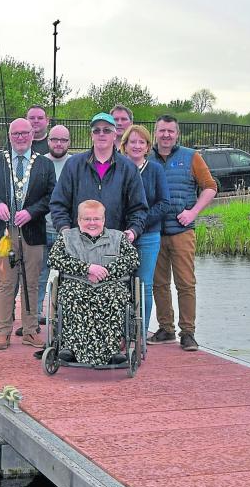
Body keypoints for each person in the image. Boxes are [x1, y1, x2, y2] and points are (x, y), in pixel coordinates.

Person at [0, 117, 56, 350]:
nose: (20, 138)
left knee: (31, 283)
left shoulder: (45, 164)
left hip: (32, 232)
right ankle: (3, 331)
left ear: (32, 135)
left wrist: (32, 212)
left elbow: (51, 196)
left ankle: (31, 331)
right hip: (4, 233)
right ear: (10, 136)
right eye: (15, 134)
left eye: (24, 133)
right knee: (5, 283)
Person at [147, 115, 217, 351]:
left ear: (177, 134)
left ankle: (188, 332)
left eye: (170, 131)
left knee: (186, 283)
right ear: (155, 133)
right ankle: (166, 329)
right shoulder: (146, 157)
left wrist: (194, 212)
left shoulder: (191, 157)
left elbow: (210, 186)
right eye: (162, 131)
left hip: (182, 230)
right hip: (155, 230)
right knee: (159, 283)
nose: (166, 135)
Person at [48, 200, 140, 365]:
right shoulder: (67, 238)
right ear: (79, 220)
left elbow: (133, 259)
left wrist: (105, 272)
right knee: (72, 296)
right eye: (87, 219)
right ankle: (70, 347)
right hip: (76, 283)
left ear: (104, 220)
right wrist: (86, 269)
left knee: (115, 297)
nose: (92, 223)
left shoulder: (118, 238)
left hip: (110, 284)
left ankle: (112, 350)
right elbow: (54, 259)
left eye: (96, 219)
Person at [49, 112, 148, 243]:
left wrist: (133, 230)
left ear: (114, 135)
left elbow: (139, 208)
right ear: (92, 135)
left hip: (115, 243)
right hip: (78, 243)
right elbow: (58, 202)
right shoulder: (73, 164)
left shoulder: (128, 168)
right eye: (97, 130)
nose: (101, 134)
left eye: (106, 130)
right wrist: (65, 229)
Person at [119, 124, 170, 334]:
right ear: (125, 145)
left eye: (142, 142)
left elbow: (164, 203)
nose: (137, 146)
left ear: (148, 146)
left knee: (144, 285)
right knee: (120, 284)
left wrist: (138, 225)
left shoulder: (155, 169)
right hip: (121, 236)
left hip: (148, 235)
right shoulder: (119, 167)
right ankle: (121, 330)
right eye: (133, 142)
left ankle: (140, 332)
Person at [37, 124, 71, 321]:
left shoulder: (76, 164)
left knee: (67, 276)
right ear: (48, 141)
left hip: (66, 230)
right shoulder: (39, 163)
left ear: (69, 142)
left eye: (63, 140)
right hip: (42, 228)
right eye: (55, 139)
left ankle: (63, 313)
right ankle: (36, 313)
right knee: (39, 275)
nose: (58, 143)